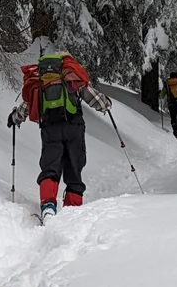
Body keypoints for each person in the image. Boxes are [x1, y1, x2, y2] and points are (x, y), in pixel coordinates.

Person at [7, 47, 111, 218]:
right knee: (74, 169)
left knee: (50, 167)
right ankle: (72, 213)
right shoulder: (71, 76)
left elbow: (27, 105)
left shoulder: (41, 80)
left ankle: (48, 206)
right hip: (74, 128)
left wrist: (14, 118)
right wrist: (106, 104)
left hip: (50, 128)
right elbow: (94, 98)